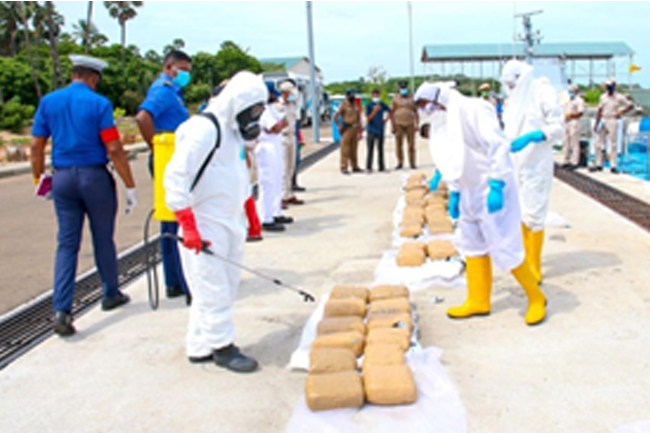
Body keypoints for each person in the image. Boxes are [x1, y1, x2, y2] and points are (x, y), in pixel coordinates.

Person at [415, 81, 547, 326]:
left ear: (438, 99)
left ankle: (536, 297)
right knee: (472, 245)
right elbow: (452, 156)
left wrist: (496, 184)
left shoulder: (473, 109)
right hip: (469, 190)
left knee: (505, 246)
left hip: (492, 187)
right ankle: (478, 299)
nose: (429, 113)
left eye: (427, 106)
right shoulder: (445, 120)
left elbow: (497, 146)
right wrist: (454, 191)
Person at [163, 71, 266, 373]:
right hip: (205, 223)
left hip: (229, 221)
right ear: (238, 102)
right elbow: (176, 176)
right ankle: (223, 347)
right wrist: (189, 225)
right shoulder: (203, 130)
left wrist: (249, 210)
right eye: (253, 110)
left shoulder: (231, 130)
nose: (255, 117)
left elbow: (236, 173)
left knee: (224, 286)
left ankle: (199, 345)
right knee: (213, 288)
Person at [30, 55, 136, 336]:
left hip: (62, 177)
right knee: (102, 237)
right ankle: (111, 293)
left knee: (66, 243)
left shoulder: (49, 102)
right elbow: (113, 147)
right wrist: (129, 184)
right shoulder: (99, 103)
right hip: (94, 177)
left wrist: (39, 179)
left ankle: (62, 309)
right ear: (93, 78)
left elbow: (36, 146)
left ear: (73, 75)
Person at [501, 59, 565, 284]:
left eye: (511, 85)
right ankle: (523, 259)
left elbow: (558, 126)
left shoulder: (543, 92)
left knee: (535, 214)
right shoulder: (513, 100)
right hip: (516, 163)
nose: (509, 89)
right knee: (519, 212)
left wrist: (536, 135)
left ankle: (534, 266)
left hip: (536, 163)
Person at [136, 50, 192, 301]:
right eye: (182, 69)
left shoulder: (173, 91)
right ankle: (180, 279)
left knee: (173, 220)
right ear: (169, 67)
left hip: (173, 159)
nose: (186, 75)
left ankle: (175, 280)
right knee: (176, 219)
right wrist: (156, 148)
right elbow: (143, 117)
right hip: (168, 160)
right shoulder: (163, 90)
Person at [256, 82, 292, 232]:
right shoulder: (262, 111)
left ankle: (275, 212)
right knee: (268, 182)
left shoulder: (271, 109)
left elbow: (285, 122)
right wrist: (278, 126)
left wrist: (278, 126)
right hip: (266, 146)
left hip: (275, 144)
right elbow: (275, 127)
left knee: (277, 180)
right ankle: (265, 218)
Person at [592, 78, 634, 173]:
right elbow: (599, 110)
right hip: (603, 119)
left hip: (612, 119)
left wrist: (621, 111)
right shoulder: (603, 97)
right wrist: (596, 123)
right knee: (598, 143)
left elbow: (630, 105)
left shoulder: (619, 97)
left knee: (613, 144)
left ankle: (613, 165)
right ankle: (599, 164)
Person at [277, 80, 304, 207]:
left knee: (291, 167)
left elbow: (296, 120)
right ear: (284, 92)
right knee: (283, 167)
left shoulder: (292, 105)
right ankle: (282, 195)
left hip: (292, 136)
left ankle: (289, 193)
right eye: (290, 93)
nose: (292, 95)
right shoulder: (278, 105)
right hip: (282, 137)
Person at [390, 80, 419, 169]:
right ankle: (400, 162)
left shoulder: (412, 98)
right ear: (399, 88)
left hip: (410, 123)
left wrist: (417, 124)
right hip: (399, 123)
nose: (403, 89)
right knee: (399, 145)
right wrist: (392, 125)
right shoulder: (395, 98)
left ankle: (412, 162)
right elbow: (392, 112)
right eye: (402, 88)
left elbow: (416, 112)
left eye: (405, 87)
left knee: (411, 145)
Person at [334, 89, 362, 174]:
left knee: (354, 149)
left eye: (353, 95)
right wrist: (339, 126)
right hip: (347, 129)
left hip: (355, 128)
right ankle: (344, 167)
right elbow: (335, 116)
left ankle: (355, 166)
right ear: (347, 96)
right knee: (345, 149)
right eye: (350, 96)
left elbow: (358, 115)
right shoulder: (343, 105)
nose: (352, 97)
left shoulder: (355, 105)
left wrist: (360, 127)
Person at [365, 88, 391, 172]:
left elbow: (390, 111)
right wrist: (374, 111)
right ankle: (369, 167)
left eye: (377, 95)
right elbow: (368, 118)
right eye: (374, 95)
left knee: (380, 149)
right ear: (372, 96)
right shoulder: (369, 105)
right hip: (371, 129)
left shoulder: (382, 104)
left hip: (380, 129)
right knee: (370, 149)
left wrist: (386, 119)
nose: (376, 97)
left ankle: (381, 166)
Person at [562, 84, 585, 170]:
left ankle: (574, 161)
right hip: (566, 122)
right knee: (566, 142)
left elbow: (580, 113)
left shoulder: (579, 101)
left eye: (572, 91)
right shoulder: (568, 100)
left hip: (574, 121)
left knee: (574, 142)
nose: (570, 92)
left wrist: (571, 115)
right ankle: (566, 160)